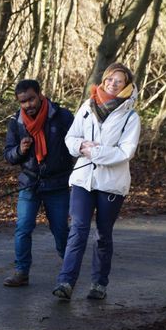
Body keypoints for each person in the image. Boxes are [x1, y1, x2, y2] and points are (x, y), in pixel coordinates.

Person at [53, 62, 141, 301]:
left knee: (103, 234)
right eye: (110, 79)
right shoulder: (87, 107)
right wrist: (81, 146)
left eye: (119, 81)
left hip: (111, 184)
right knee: (78, 230)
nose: (113, 83)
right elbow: (71, 137)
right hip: (83, 179)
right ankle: (65, 282)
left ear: (126, 85)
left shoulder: (130, 117)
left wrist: (96, 153)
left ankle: (99, 284)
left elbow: (126, 152)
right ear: (104, 80)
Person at [3, 79, 74, 286]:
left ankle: (69, 271)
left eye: (31, 99)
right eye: (23, 102)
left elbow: (78, 143)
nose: (28, 105)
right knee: (23, 227)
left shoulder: (62, 116)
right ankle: (21, 272)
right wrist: (20, 150)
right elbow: (8, 155)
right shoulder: (16, 122)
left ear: (40, 94)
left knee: (60, 229)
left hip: (58, 183)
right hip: (29, 183)